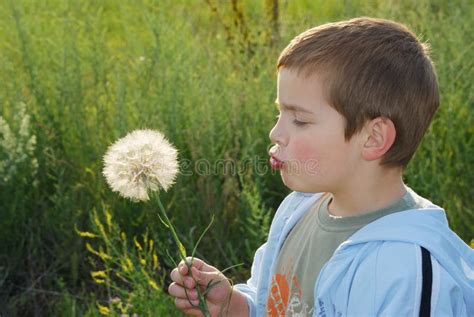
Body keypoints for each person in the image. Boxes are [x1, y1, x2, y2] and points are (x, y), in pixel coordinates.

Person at [168, 17, 474, 316]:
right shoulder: (298, 212)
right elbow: (275, 304)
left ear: (373, 138)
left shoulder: (404, 268)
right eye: (280, 114)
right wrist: (233, 306)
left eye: (299, 120)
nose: (276, 133)